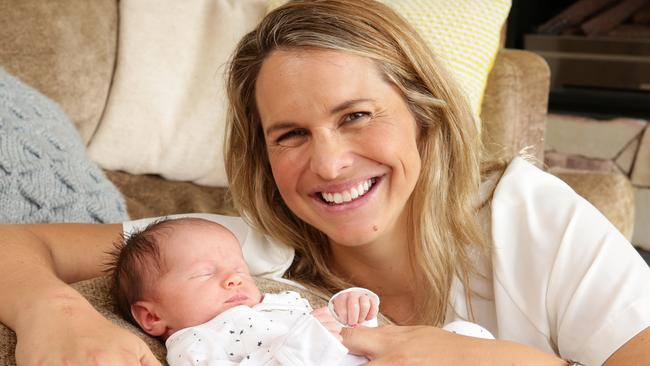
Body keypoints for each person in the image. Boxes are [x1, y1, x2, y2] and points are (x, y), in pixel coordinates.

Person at [0, 0, 648, 365]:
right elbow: (20, 246)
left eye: (357, 117)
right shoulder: (237, 258)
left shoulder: (525, 216)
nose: (331, 164)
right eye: (291, 135)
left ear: (424, 118)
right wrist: (47, 312)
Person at [109, 217, 380, 365]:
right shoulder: (195, 344)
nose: (233, 279)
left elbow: (351, 340)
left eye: (240, 269)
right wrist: (302, 345)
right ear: (152, 317)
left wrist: (352, 312)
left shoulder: (282, 302)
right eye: (206, 273)